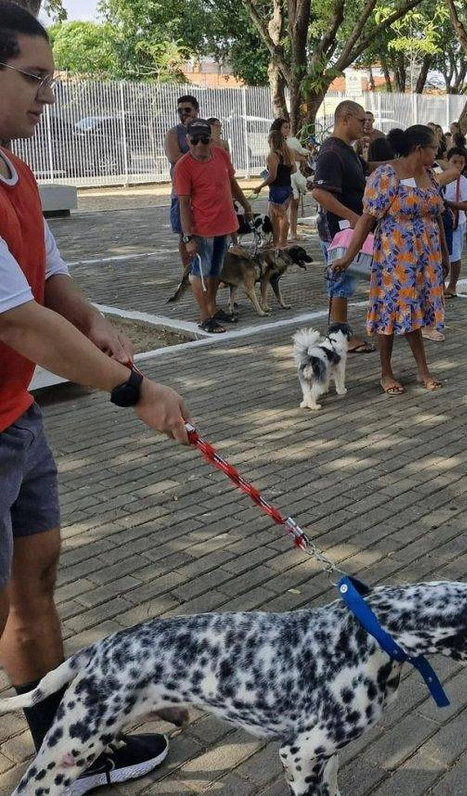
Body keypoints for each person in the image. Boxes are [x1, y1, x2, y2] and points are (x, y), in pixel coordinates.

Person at [0, 5, 191, 790]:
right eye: (33, 78)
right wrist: (134, 390)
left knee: (35, 583)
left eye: (52, 80)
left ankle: (65, 756)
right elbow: (19, 320)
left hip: (16, 419)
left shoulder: (16, 172)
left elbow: (49, 276)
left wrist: (97, 321)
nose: (48, 96)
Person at [328, 125, 445, 395]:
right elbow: (367, 219)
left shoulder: (429, 174)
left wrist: (444, 255)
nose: (437, 153)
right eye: (434, 148)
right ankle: (386, 373)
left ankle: (423, 370)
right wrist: (348, 257)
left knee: (416, 312)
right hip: (395, 260)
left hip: (425, 260)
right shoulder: (386, 176)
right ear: (419, 149)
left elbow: (436, 216)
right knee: (389, 314)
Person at [174, 118, 254, 332]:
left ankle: (212, 308)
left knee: (216, 271)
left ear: (211, 140)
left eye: (205, 139)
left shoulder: (220, 155)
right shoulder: (183, 167)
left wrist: (246, 205)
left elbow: (232, 183)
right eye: (195, 140)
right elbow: (183, 204)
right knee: (199, 272)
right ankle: (204, 317)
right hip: (202, 229)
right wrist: (187, 237)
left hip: (223, 224)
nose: (200, 144)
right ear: (188, 140)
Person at [311, 100, 376, 354]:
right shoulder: (331, 152)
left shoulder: (347, 150)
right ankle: (339, 337)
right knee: (340, 281)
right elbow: (319, 193)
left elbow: (369, 169)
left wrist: (403, 164)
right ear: (345, 118)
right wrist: (352, 217)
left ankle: (340, 333)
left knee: (344, 281)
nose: (365, 125)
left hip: (348, 229)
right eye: (361, 120)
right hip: (337, 230)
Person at [164, 93, 199, 276]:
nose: (183, 113)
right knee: (184, 234)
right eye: (180, 110)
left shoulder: (204, 130)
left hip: (202, 191)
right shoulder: (173, 133)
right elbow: (174, 157)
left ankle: (206, 271)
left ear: (196, 110)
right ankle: (188, 272)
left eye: (187, 109)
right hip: (181, 191)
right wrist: (199, 156)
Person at [253, 122, 295, 249]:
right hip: (287, 188)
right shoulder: (288, 153)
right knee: (273, 217)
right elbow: (293, 170)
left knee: (282, 217)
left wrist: (260, 186)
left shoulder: (273, 155)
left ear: (271, 140)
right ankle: (276, 242)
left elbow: (272, 176)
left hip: (277, 189)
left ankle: (282, 243)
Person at [443, 146, 467, 298]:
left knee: (454, 255)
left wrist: (447, 203)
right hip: (441, 222)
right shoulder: (440, 177)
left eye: (461, 163)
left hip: (456, 222)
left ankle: (452, 285)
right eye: (454, 161)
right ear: (446, 161)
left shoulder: (463, 181)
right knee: (440, 254)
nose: (458, 165)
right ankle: (440, 284)